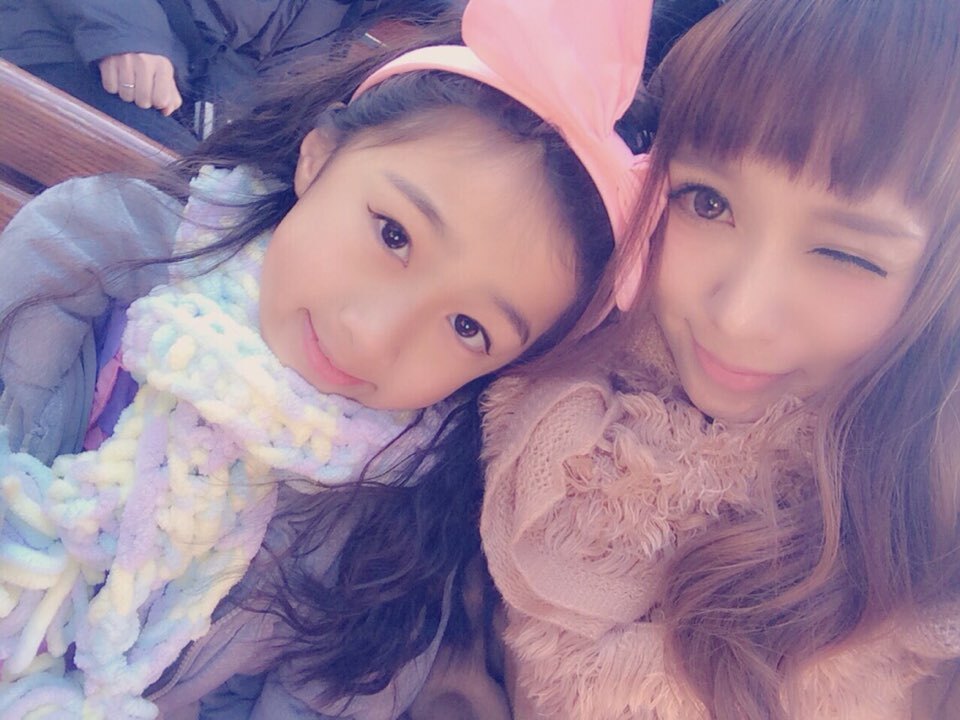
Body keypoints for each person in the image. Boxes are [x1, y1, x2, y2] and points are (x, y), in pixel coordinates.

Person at [0, 0, 655, 717]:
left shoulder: (388, 552)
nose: (370, 335)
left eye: (468, 327)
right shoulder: (87, 259)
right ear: (318, 158)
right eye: (394, 236)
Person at [478, 1, 960, 718]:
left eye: (846, 253)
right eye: (706, 203)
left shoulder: (931, 567)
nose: (738, 315)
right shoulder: (522, 363)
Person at [0, 1, 458, 151]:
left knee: (222, 200)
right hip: (60, 38)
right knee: (180, 196)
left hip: (182, 97)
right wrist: (129, 32)